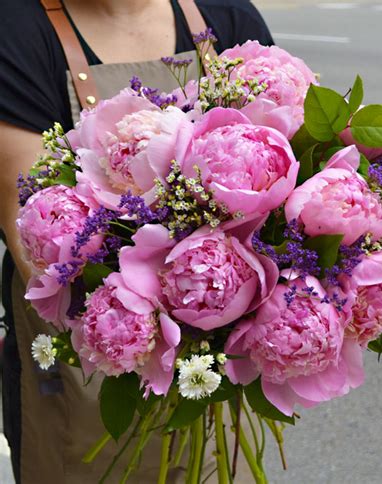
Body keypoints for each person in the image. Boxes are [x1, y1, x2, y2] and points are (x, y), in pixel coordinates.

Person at [0, 1, 273, 482]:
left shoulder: (224, 15)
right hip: (88, 363)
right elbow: (31, 228)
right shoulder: (17, 27)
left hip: (215, 372)